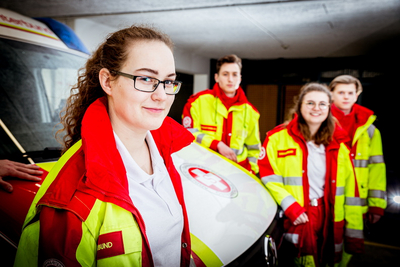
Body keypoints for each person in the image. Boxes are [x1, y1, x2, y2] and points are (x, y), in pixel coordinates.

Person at [14, 25, 194, 267]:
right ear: (108, 82)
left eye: (168, 82)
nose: (162, 95)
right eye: (146, 79)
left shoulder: (164, 150)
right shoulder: (71, 193)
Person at [258, 83, 364, 266]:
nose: (317, 108)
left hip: (329, 216)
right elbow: (268, 178)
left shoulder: (339, 146)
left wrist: (354, 234)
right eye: (310, 103)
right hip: (297, 215)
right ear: (300, 106)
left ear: (329, 109)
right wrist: (290, 206)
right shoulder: (276, 139)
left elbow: (350, 193)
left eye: (323, 104)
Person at [182, 54, 261, 174]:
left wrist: (251, 171)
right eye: (225, 74)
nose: (230, 79)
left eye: (234, 74)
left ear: (240, 78)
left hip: (237, 173)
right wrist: (216, 144)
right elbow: (187, 133)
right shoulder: (197, 102)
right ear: (216, 77)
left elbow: (254, 149)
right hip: (202, 171)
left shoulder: (251, 112)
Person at [329, 75, 386, 224]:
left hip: (357, 198)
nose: (346, 97)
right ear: (331, 95)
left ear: (357, 95)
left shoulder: (370, 131)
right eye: (341, 93)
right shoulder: (319, 123)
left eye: (350, 93)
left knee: (352, 243)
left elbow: (376, 169)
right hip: (327, 196)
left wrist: (376, 205)